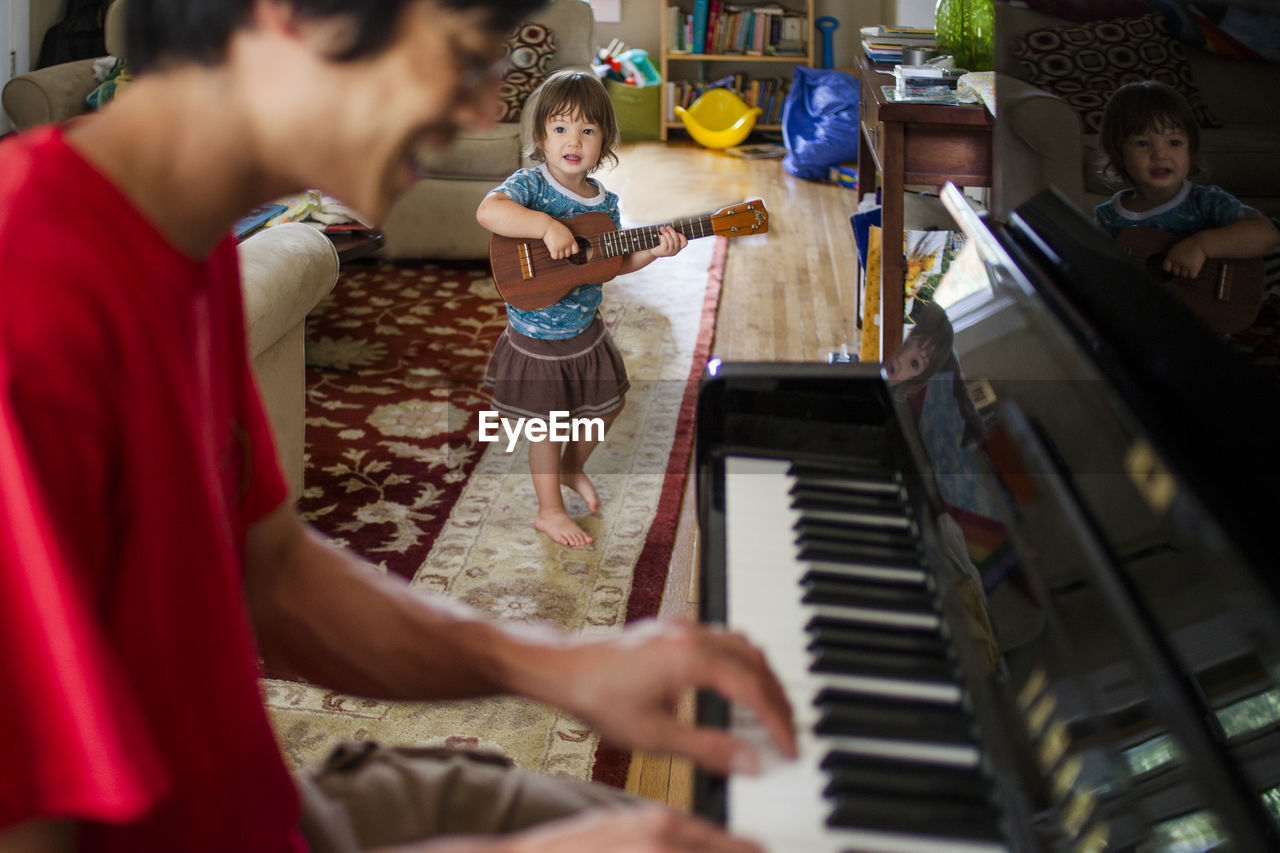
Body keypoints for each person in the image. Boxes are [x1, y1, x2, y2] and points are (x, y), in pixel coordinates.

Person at [0, 2, 796, 852]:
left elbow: (272, 568)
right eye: (461, 57)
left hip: (265, 803)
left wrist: (551, 665)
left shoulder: (181, 245)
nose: (484, 109)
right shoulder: (35, 301)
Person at [477, 70, 688, 548]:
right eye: (560, 128)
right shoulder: (531, 185)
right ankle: (549, 511)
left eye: (587, 130)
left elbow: (611, 262)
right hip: (536, 335)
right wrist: (544, 227)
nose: (573, 140)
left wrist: (653, 250)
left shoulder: (605, 204)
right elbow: (488, 212)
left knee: (607, 407)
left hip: (585, 330)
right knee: (548, 427)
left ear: (604, 141)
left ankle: (574, 468)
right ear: (541, 137)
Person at [1093, 80, 1280, 279]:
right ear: (1118, 151)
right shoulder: (1109, 217)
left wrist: (1202, 245)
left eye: (1174, 142)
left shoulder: (1206, 201)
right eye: (1143, 143)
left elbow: (1266, 234)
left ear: (1191, 149)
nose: (1160, 155)